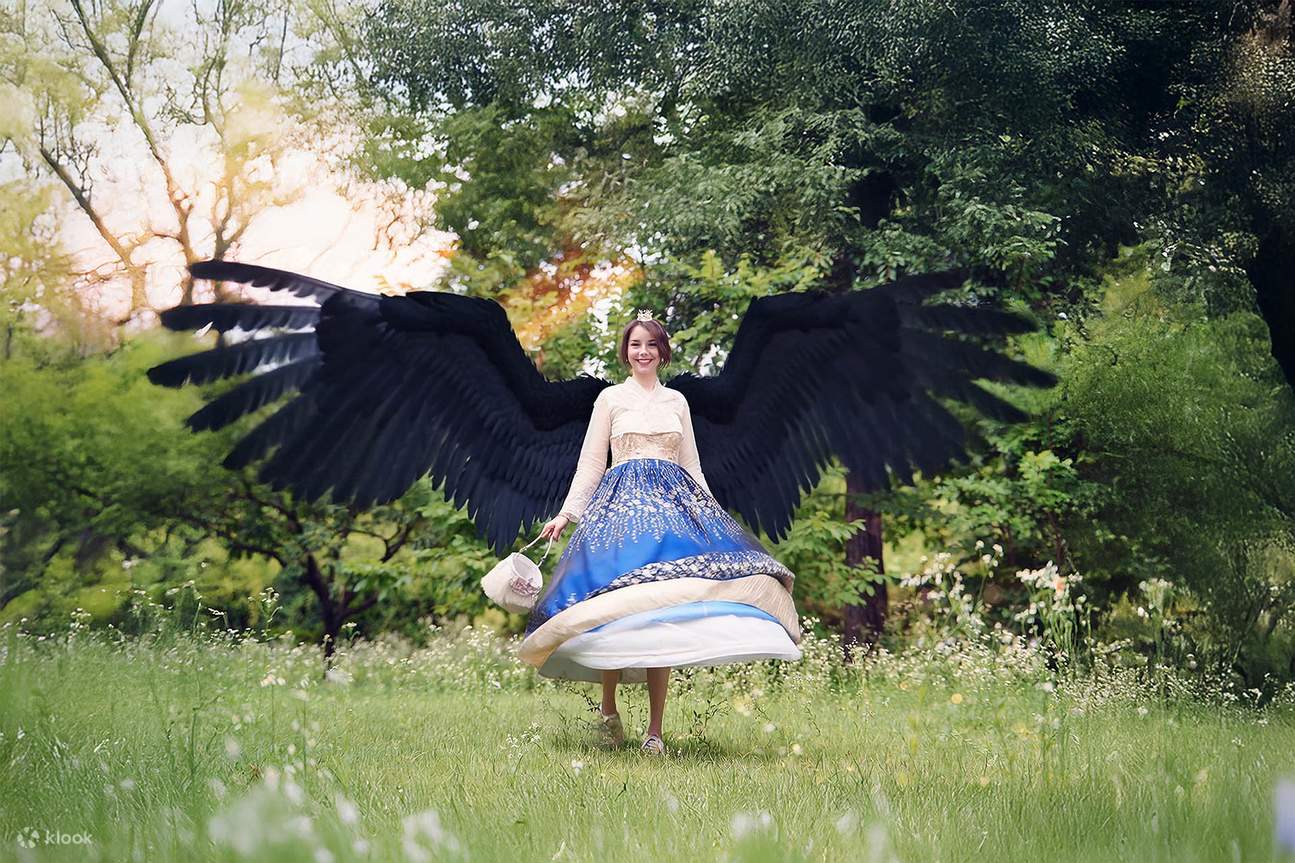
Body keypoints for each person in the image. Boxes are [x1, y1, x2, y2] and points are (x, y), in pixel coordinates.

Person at [518, 311, 803, 756]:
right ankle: (608, 711)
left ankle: (654, 732)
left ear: (662, 352)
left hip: (671, 516)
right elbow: (591, 463)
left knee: (662, 614)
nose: (643, 352)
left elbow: (692, 467)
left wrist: (710, 516)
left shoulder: (677, 402)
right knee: (612, 607)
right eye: (636, 344)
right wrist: (567, 514)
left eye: (651, 344)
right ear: (626, 352)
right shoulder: (610, 399)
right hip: (620, 515)